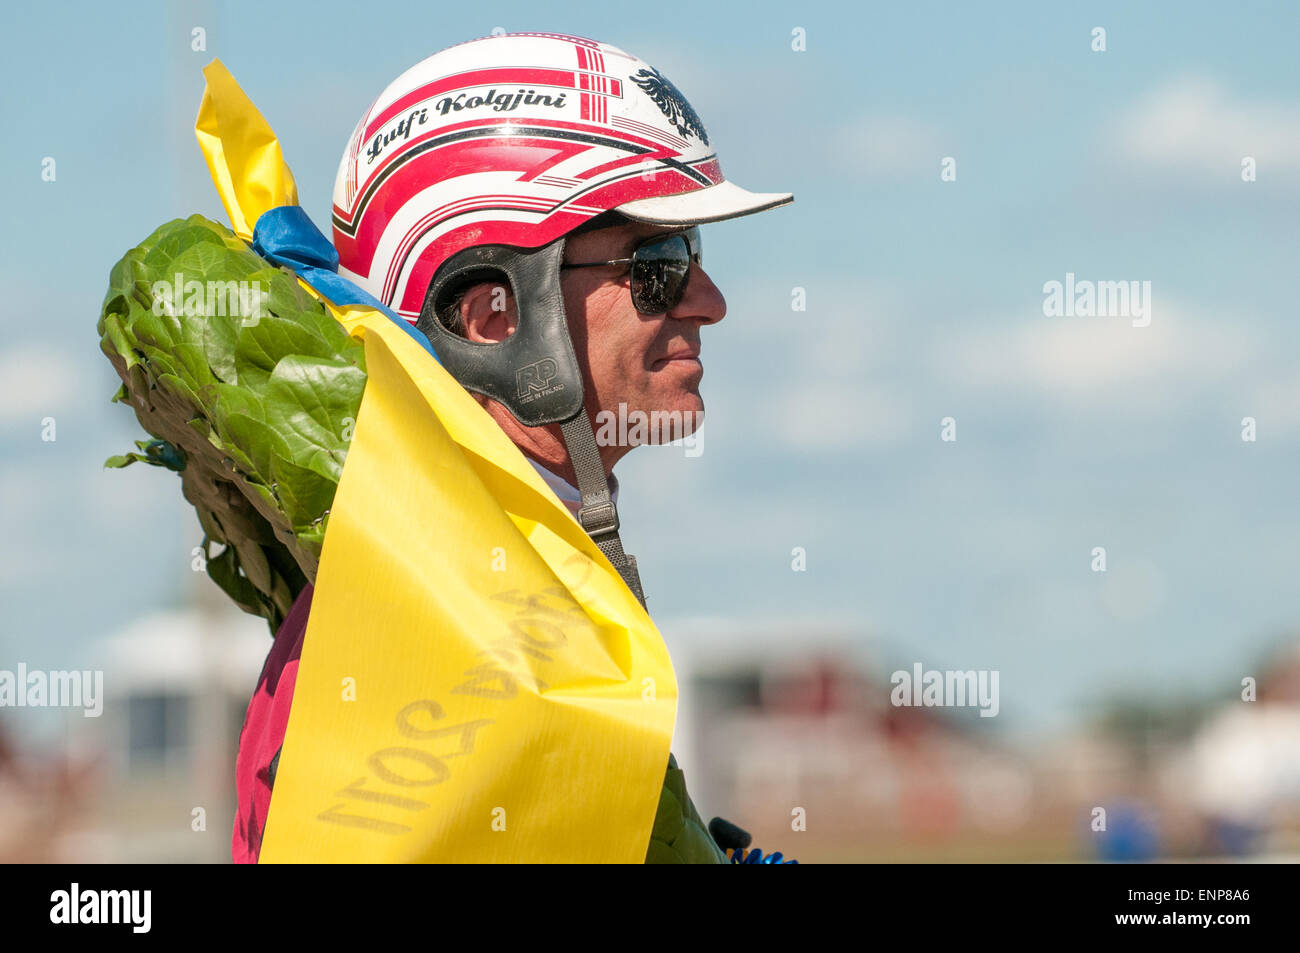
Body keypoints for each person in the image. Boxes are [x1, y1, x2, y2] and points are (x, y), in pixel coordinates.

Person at [234, 31, 793, 864]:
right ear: (494, 312)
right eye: (661, 263)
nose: (707, 301)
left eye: (694, 257)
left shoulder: (452, 587)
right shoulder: (441, 642)